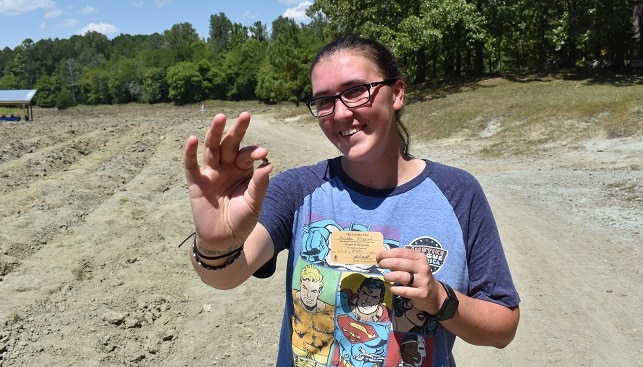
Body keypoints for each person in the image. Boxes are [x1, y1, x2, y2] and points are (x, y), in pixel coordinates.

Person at [183, 35, 520, 366]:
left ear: (397, 92)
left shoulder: (458, 192)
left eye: (356, 91)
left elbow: (503, 327)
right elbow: (226, 276)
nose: (340, 114)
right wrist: (216, 244)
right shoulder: (298, 190)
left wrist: (439, 299)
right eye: (325, 100)